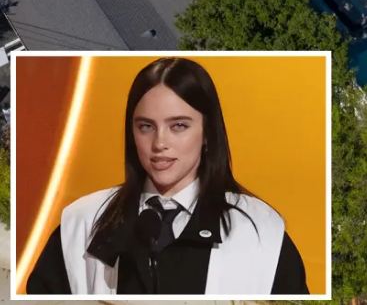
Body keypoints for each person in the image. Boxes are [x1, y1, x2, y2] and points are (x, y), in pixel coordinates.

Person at [27, 58, 308, 295]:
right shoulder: (81, 221)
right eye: (146, 126)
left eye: (179, 126)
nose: (160, 143)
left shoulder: (260, 231)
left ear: (207, 133)